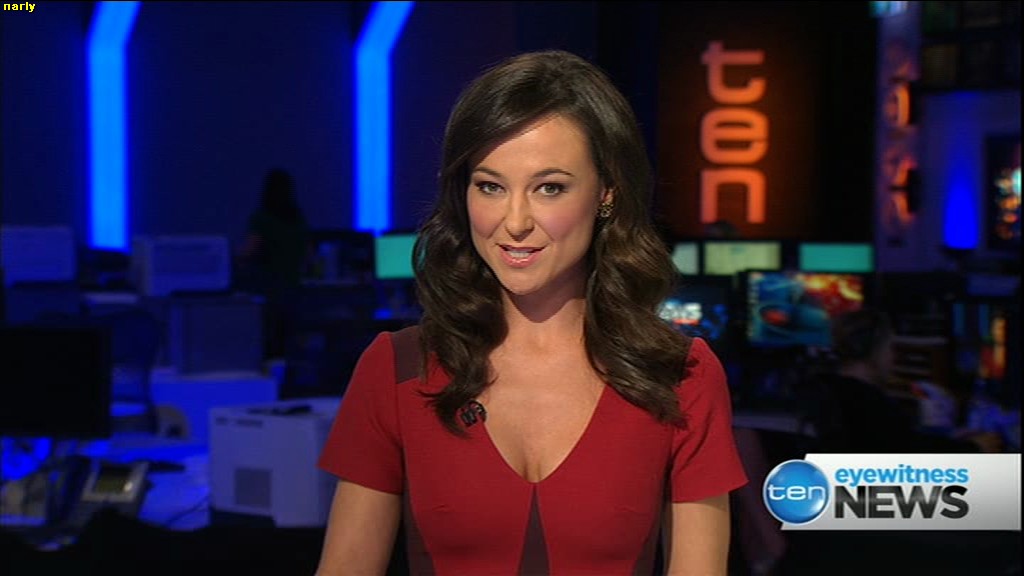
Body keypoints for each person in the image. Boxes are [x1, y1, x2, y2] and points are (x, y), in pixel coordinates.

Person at [315, 50, 748, 575]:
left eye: (549, 188)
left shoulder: (682, 376)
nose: (515, 221)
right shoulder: (396, 370)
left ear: (606, 194)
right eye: (490, 186)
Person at [804, 308, 1002, 454]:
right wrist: (974, 448)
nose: (893, 357)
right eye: (890, 348)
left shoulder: (825, 390)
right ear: (875, 351)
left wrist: (950, 439)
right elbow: (910, 455)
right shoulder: (871, 406)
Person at [237, 168, 312, 357]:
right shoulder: (298, 219)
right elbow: (308, 253)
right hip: (294, 289)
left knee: (270, 343)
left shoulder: (262, 219)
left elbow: (250, 250)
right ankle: (288, 374)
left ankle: (272, 374)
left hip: (270, 289)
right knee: (289, 342)